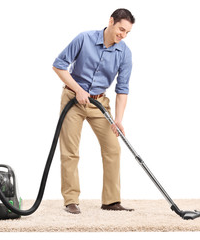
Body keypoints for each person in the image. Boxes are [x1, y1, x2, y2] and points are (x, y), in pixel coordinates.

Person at [52, 8, 135, 214]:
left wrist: (118, 119)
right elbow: (59, 65)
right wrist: (78, 89)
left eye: (127, 32)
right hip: (73, 100)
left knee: (113, 149)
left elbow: (122, 89)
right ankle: (71, 200)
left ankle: (111, 201)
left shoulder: (124, 53)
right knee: (70, 151)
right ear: (111, 21)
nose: (122, 35)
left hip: (99, 103)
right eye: (121, 29)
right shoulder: (84, 39)